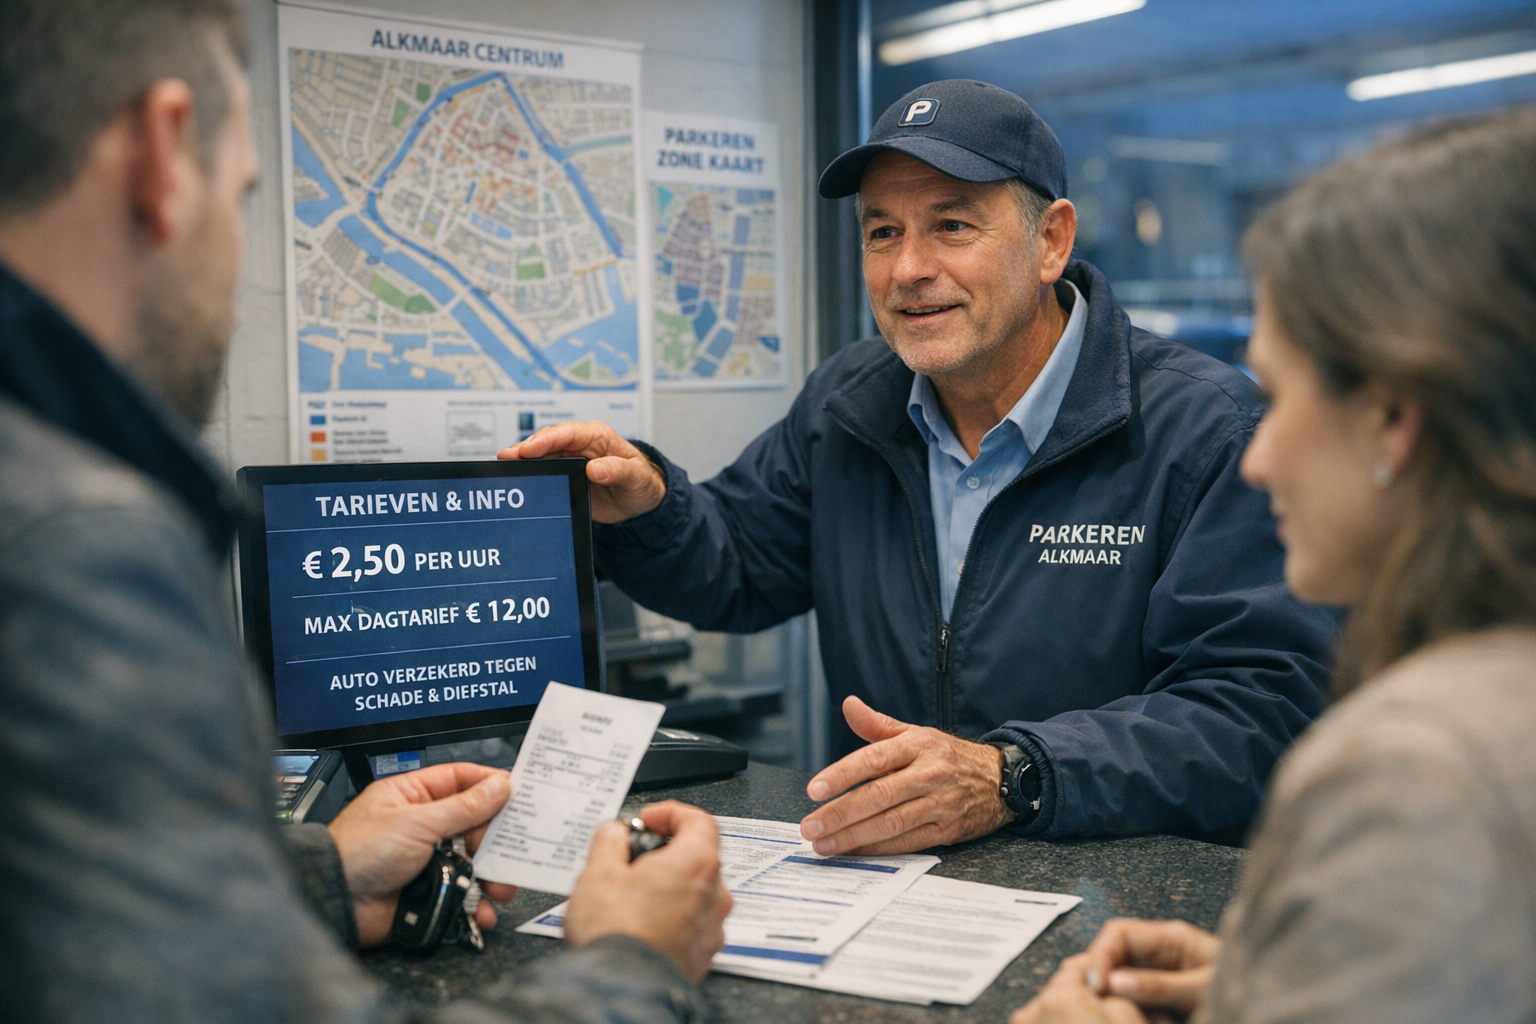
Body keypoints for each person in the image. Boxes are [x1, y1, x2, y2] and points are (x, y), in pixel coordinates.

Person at [0, 2, 730, 1021]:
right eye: (243, 196)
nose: (235, 286)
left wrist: (322, 878)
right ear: (164, 155)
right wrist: (633, 961)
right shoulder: (70, 550)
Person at [503, 79, 1336, 851]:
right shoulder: (849, 405)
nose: (908, 270)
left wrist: (1015, 775)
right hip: (892, 891)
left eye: (952, 226)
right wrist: (649, 506)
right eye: (883, 232)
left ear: (1051, 241)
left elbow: (1260, 711)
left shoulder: (1205, 430)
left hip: (1115, 909)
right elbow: (740, 563)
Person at [1011, 108, 1536, 1024]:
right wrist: (1280, 981)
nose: (1258, 458)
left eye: (1283, 394)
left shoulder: (1416, 767)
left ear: (1393, 419)